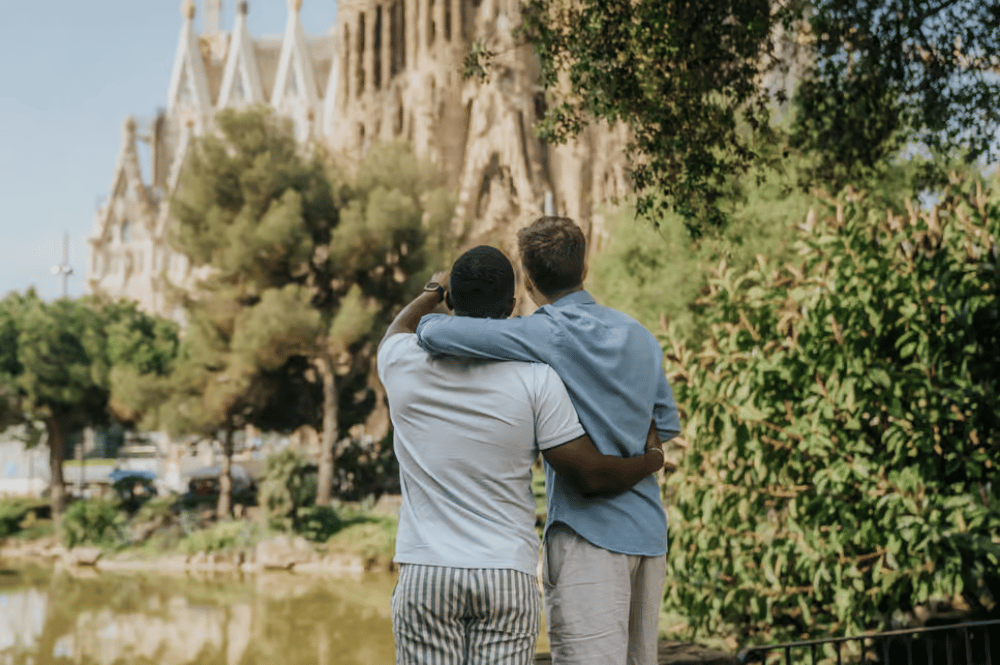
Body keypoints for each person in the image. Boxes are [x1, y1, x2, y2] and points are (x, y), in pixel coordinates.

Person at [378, 245, 665, 665]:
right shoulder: (537, 378)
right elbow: (588, 474)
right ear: (512, 306)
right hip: (506, 575)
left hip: (426, 572)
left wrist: (433, 290)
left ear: (452, 300)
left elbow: (397, 330)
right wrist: (652, 458)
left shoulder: (401, 361)